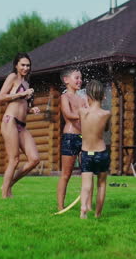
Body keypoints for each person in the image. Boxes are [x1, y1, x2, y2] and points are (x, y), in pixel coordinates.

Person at [0, 52, 41, 199]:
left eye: (28, 65)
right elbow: (1, 97)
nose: (25, 67)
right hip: (10, 120)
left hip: (22, 125)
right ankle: (5, 196)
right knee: (14, 159)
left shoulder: (27, 83)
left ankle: (7, 184)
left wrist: (31, 109)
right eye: (22, 64)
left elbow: (21, 105)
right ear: (16, 65)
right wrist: (21, 95)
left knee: (34, 159)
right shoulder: (13, 77)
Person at [56, 67, 91, 211]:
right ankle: (60, 206)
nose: (80, 80)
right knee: (66, 173)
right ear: (66, 80)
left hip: (85, 137)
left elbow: (90, 112)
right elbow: (69, 114)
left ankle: (87, 206)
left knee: (87, 172)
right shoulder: (65, 97)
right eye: (76, 77)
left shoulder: (83, 98)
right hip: (70, 137)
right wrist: (85, 114)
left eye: (81, 78)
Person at [78, 80, 111, 219]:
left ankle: (83, 209)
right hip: (101, 153)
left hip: (86, 152)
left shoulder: (82, 112)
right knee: (101, 184)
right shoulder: (106, 114)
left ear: (88, 96)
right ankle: (97, 214)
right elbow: (106, 129)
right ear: (103, 96)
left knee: (86, 184)